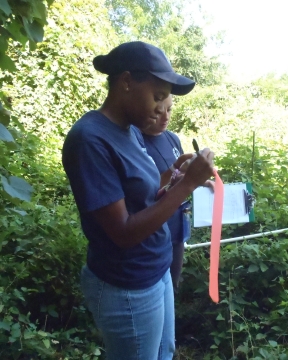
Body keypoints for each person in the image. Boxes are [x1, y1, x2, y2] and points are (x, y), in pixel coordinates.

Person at [62, 41, 214, 360]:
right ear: (127, 82)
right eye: (157, 96)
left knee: (165, 351)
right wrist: (186, 185)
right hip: (127, 284)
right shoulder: (90, 140)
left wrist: (174, 173)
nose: (161, 108)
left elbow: (142, 193)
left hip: (155, 268)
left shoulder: (129, 129)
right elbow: (124, 232)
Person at [140, 95, 192, 291]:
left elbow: (180, 175)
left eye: (169, 110)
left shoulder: (172, 138)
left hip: (177, 223)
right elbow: (146, 189)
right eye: (159, 112)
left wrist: (203, 181)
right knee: (157, 283)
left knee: (173, 281)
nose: (165, 117)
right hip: (155, 226)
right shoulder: (136, 141)